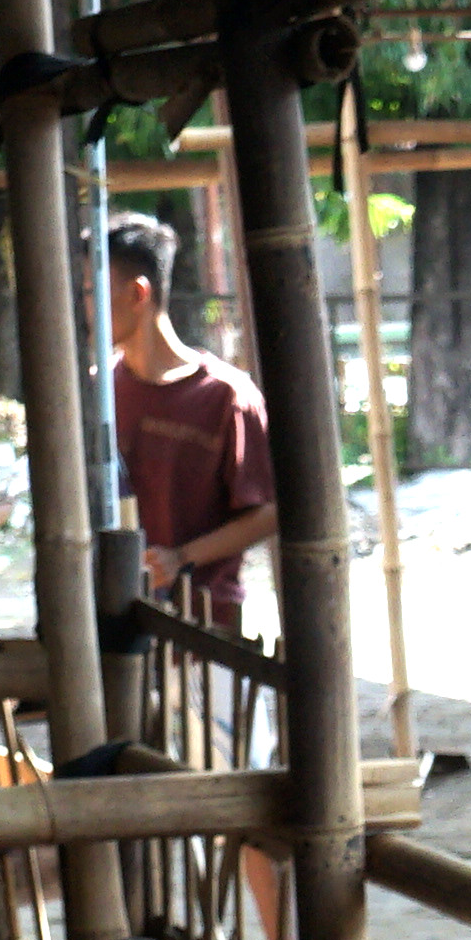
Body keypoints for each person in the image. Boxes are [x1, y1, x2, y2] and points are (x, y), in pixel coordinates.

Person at [106, 210, 278, 628]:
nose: (82, 308)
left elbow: (268, 513)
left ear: (138, 293)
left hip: (205, 626)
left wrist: (181, 557)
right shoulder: (96, 391)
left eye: (93, 291)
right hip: (115, 625)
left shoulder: (227, 397)